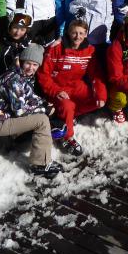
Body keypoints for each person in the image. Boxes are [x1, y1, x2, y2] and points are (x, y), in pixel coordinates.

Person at [0, 43, 63, 179]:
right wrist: (45, 109)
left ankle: (20, 142)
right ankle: (40, 164)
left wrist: (44, 103)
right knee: (42, 120)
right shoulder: (14, 80)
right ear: (21, 61)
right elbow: (20, 111)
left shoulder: (22, 76)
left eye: (35, 65)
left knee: (41, 114)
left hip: (4, 117)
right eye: (28, 63)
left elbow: (28, 97)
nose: (31, 68)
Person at [39, 19, 108, 155]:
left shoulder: (89, 50)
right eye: (74, 33)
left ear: (86, 34)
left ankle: (67, 117)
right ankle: (67, 137)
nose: (78, 37)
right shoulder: (56, 48)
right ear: (68, 33)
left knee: (97, 100)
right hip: (57, 86)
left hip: (75, 85)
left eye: (81, 33)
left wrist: (101, 95)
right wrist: (56, 91)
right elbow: (43, 75)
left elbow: (96, 74)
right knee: (67, 106)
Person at [0, 13, 32, 83]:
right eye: (15, 28)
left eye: (22, 29)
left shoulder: (27, 45)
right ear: (10, 26)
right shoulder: (1, 45)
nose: (17, 33)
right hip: (2, 83)